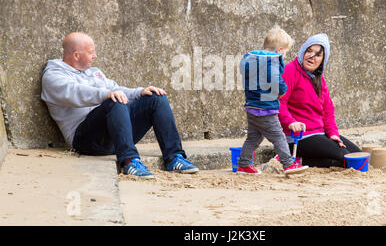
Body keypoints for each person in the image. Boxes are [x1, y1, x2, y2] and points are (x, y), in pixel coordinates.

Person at [41, 32, 199, 179]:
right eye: (91, 52)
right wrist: (106, 94)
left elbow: (115, 89)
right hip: (86, 140)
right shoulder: (53, 76)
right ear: (76, 55)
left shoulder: (93, 72)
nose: (95, 56)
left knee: (156, 97)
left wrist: (140, 92)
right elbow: (77, 93)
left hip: (115, 135)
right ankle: (129, 162)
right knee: (114, 101)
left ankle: (174, 158)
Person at [278, 33, 361, 168]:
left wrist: (333, 134)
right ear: (303, 52)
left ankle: (305, 158)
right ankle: (296, 160)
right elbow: (280, 103)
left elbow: (328, 110)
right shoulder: (290, 70)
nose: (312, 57)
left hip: (319, 133)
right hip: (297, 137)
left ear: (323, 60)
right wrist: (290, 122)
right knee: (343, 157)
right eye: (309, 51)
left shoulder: (319, 79)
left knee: (357, 155)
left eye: (318, 55)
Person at [238, 27, 309, 175]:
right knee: (279, 137)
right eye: (285, 54)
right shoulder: (272, 61)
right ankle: (288, 164)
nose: (284, 57)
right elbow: (275, 79)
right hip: (266, 109)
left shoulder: (252, 60)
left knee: (253, 138)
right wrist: (282, 91)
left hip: (252, 107)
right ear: (279, 50)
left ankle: (244, 164)